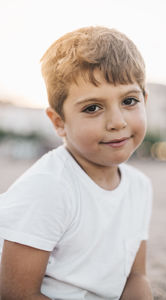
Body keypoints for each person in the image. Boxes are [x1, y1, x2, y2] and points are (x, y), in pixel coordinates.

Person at [0, 26, 153, 300]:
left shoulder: (140, 187)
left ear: (145, 101)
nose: (118, 122)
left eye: (129, 101)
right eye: (92, 108)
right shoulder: (48, 189)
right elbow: (16, 293)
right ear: (59, 122)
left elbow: (136, 275)